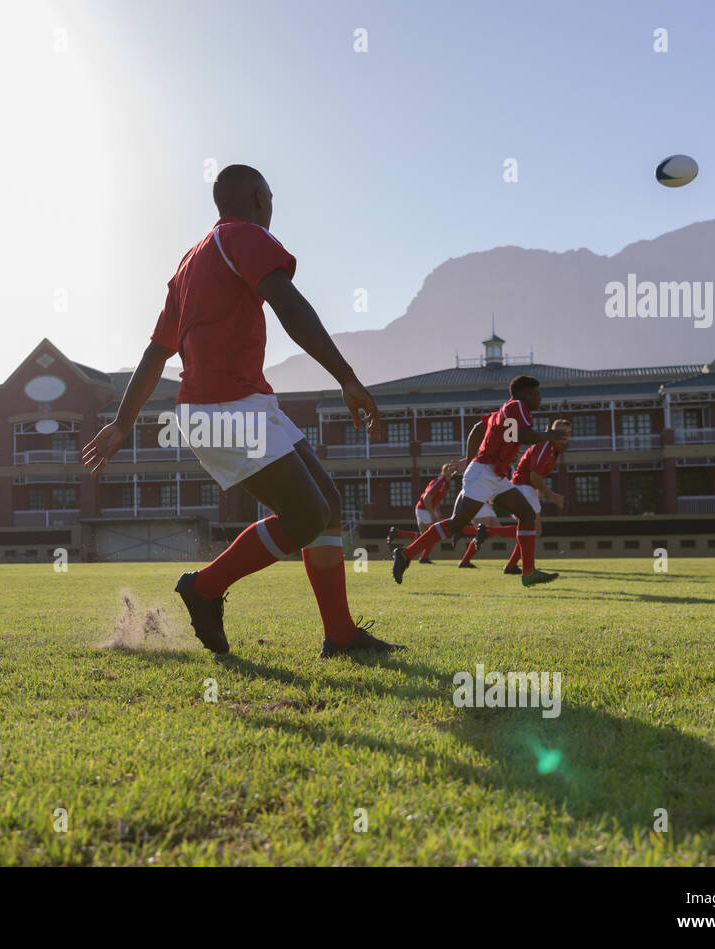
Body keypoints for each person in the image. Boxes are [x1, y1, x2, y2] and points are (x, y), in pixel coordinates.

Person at [82, 164, 404, 659]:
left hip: (241, 403)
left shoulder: (189, 264)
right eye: (271, 199)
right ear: (259, 199)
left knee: (328, 505)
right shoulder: (244, 236)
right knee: (306, 514)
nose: (272, 209)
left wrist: (123, 421)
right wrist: (346, 377)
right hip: (224, 409)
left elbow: (155, 353)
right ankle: (204, 587)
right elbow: (291, 307)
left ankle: (341, 637)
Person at [391, 376, 568, 587]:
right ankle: (406, 554)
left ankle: (528, 572)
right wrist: (551, 434)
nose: (540, 398)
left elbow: (477, 429)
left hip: (494, 474)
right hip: (484, 473)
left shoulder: (505, 410)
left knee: (527, 514)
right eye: (536, 394)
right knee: (457, 522)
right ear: (524, 394)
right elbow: (524, 436)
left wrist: (469, 458)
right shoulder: (519, 406)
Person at [501, 421, 570, 574]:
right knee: (532, 529)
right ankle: (524, 567)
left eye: (567, 433)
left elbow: (536, 476)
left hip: (527, 488)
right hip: (522, 487)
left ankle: (514, 565)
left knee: (530, 529)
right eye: (560, 432)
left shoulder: (553, 448)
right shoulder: (546, 446)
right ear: (552, 432)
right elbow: (534, 475)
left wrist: (539, 491)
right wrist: (553, 496)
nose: (564, 436)